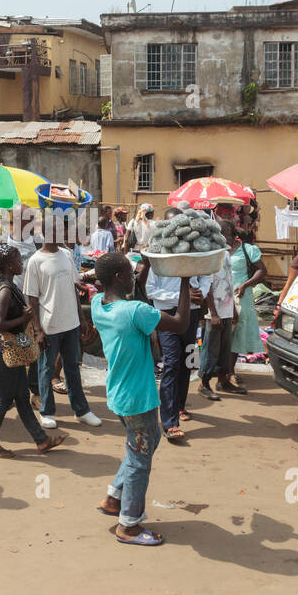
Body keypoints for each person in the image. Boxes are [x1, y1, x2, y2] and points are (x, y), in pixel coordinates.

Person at [93, 253, 191, 546]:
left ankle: (114, 498)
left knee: (144, 444)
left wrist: (145, 268)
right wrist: (185, 281)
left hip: (120, 393)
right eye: (131, 272)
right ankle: (129, 525)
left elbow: (140, 300)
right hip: (137, 398)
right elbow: (181, 323)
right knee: (140, 458)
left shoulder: (100, 305)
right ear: (121, 277)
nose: (136, 277)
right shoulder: (135, 311)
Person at [0, 243, 65, 458]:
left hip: (9, 352)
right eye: (19, 261)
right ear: (10, 265)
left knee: (20, 396)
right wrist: (25, 318)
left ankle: (41, 440)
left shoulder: (6, 285)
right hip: (5, 352)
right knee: (2, 400)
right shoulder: (6, 290)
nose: (22, 264)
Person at [25, 223, 102, 430]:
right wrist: (38, 330)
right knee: (46, 369)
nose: (67, 236)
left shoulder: (67, 255)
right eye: (63, 232)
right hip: (49, 326)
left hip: (71, 324)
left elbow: (73, 289)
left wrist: (82, 319)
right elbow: (32, 299)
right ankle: (47, 412)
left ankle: (81, 410)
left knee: (72, 368)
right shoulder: (36, 261)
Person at [140, 261, 209, 439]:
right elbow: (151, 290)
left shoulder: (193, 254)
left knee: (187, 362)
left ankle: (179, 406)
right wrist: (182, 295)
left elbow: (207, 274)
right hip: (166, 315)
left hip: (191, 313)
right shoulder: (159, 260)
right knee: (171, 363)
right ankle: (170, 423)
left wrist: (202, 292)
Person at [198, 220, 238, 401]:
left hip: (227, 307)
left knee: (224, 347)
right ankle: (204, 384)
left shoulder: (226, 252)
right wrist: (213, 313)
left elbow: (228, 281)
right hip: (214, 311)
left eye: (229, 232)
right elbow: (207, 284)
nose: (227, 235)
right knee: (211, 348)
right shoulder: (210, 253)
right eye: (224, 231)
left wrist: (233, 309)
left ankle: (223, 381)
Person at [224, 224, 266, 391]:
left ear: (234, 234)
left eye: (226, 233)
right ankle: (221, 370)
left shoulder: (248, 249)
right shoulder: (217, 250)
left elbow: (262, 270)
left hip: (241, 296)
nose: (223, 236)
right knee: (222, 332)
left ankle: (230, 370)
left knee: (237, 332)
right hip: (222, 296)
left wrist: (246, 284)